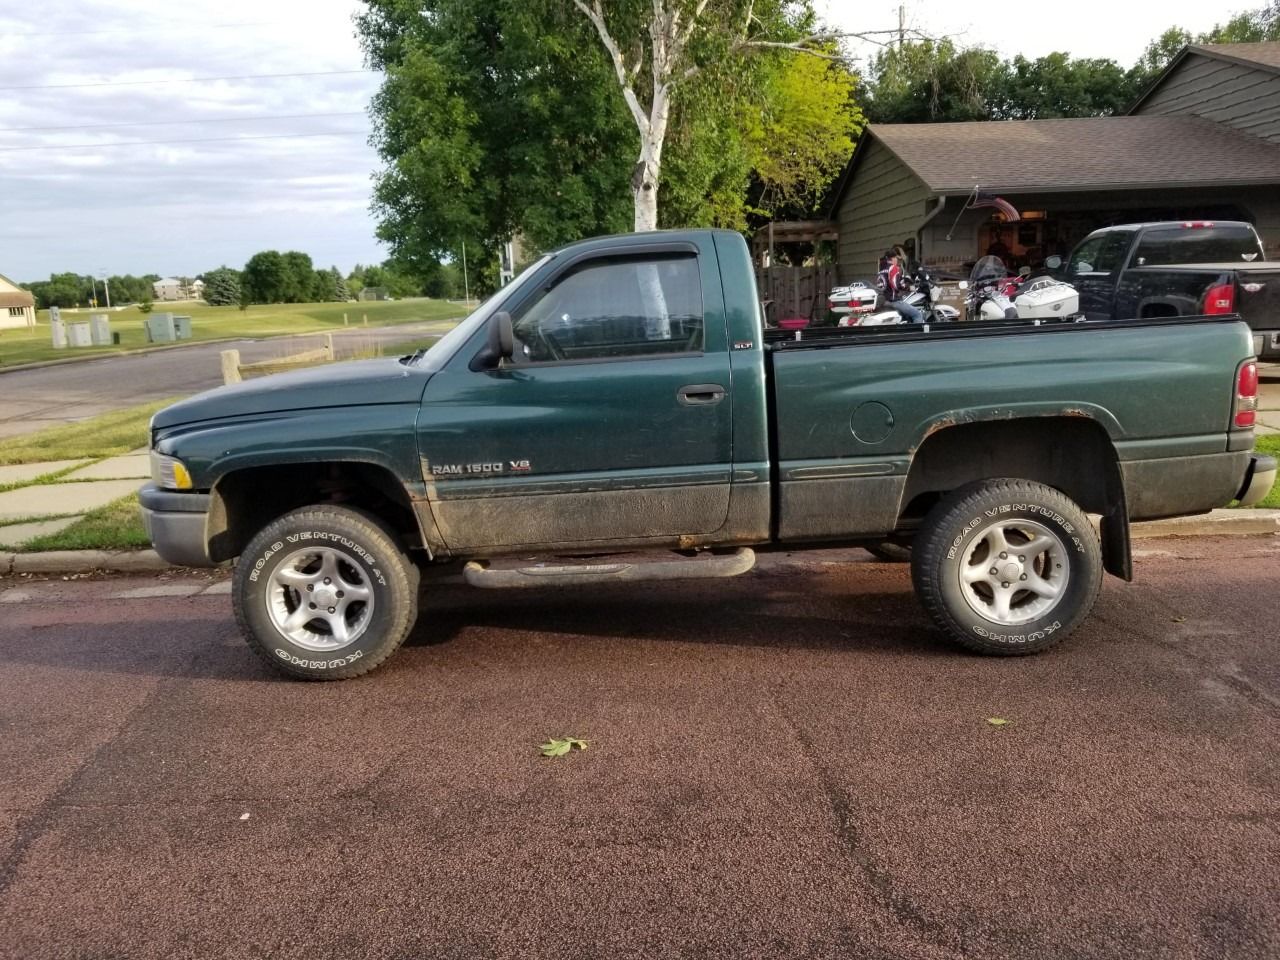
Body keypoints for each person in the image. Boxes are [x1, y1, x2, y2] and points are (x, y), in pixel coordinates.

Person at [877, 249, 923, 323]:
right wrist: (909, 288)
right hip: (893, 301)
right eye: (896, 258)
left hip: (884, 300)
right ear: (893, 258)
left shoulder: (881, 270)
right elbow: (895, 285)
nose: (897, 260)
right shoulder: (893, 268)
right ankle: (917, 334)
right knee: (917, 314)